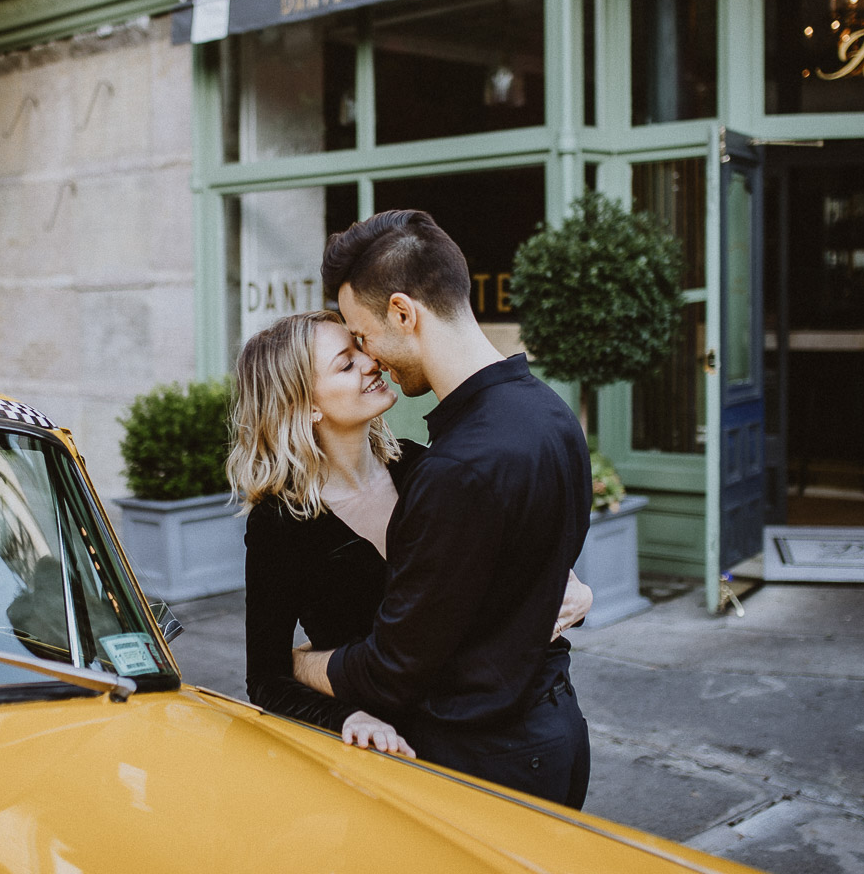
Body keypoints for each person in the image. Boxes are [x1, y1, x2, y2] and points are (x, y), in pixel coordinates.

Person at [290, 209, 594, 809]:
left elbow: (391, 670)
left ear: (403, 313)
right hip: (556, 733)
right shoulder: (552, 414)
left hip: (482, 765)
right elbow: (531, 570)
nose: (370, 357)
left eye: (363, 334)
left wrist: (295, 660)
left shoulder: (457, 468)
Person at [228, 310, 591, 758]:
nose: (371, 362)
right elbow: (266, 678)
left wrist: (574, 590)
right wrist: (348, 718)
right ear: (305, 405)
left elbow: (520, 576)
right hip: (388, 750)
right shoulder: (279, 526)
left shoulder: (426, 469)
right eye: (346, 363)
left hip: (492, 733)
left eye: (361, 347)